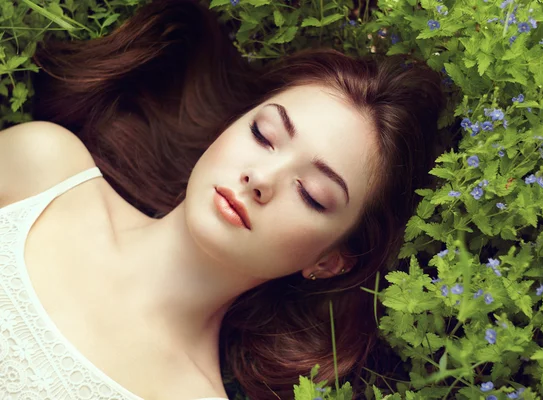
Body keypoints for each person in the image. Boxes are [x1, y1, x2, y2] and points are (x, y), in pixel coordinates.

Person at [0, 0, 445, 399]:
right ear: (230, 125)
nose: (261, 178)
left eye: (311, 194)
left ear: (329, 261)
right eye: (263, 134)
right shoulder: (42, 170)